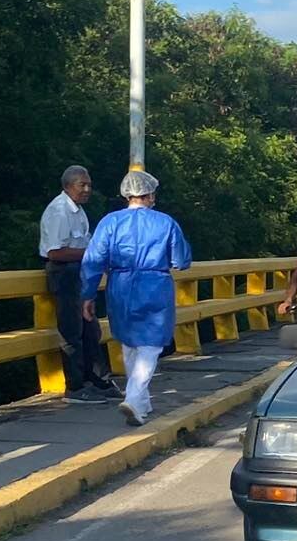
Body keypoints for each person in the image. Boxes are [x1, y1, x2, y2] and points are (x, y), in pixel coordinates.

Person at [81, 170, 192, 426]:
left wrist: (87, 295)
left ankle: (141, 403)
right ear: (150, 194)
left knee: (129, 341)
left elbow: (93, 260)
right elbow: (181, 260)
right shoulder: (165, 222)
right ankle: (133, 398)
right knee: (151, 345)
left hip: (120, 285)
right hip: (155, 284)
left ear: (127, 195)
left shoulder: (110, 222)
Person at [38, 164, 116, 403]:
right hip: (64, 272)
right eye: (82, 185)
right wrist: (92, 254)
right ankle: (75, 387)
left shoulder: (78, 211)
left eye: (89, 185)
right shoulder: (60, 211)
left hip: (79, 271)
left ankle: (99, 380)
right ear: (68, 186)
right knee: (72, 331)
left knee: (90, 328)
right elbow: (55, 252)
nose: (87, 189)